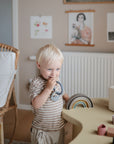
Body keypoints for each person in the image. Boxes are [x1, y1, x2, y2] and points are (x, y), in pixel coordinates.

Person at [29, 44, 69, 144]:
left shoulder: (57, 80)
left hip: (58, 129)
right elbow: (36, 104)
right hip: (42, 131)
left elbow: (62, 92)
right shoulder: (36, 83)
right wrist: (48, 89)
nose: (54, 74)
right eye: (49, 69)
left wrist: (69, 100)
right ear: (39, 65)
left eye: (57, 69)